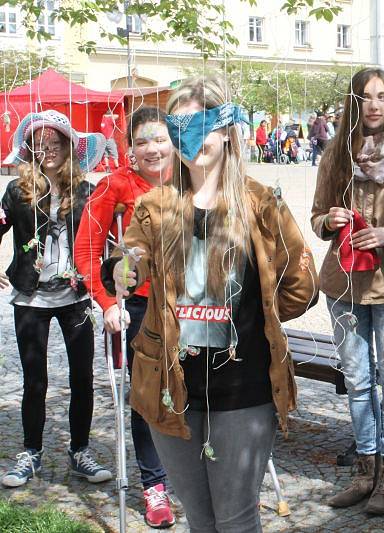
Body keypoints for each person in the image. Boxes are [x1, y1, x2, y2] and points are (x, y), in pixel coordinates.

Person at [104, 76, 318, 532]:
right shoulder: (156, 205)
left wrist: (260, 312)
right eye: (178, 127)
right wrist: (125, 268)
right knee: (200, 519)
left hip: (243, 390)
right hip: (170, 386)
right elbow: (133, 254)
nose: (192, 138)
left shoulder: (262, 204)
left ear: (226, 131)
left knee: (237, 519)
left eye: (202, 124)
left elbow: (300, 285)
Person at [312, 67, 384, 516]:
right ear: (354, 103)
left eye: (382, 96)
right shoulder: (334, 156)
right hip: (343, 284)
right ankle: (364, 471)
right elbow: (317, 217)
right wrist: (330, 221)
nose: (375, 105)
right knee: (358, 381)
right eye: (366, 97)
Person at [74, 106, 176, 528]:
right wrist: (107, 302)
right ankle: (154, 486)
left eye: (160, 139)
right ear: (130, 148)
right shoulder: (115, 185)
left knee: (198, 391)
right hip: (137, 307)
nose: (152, 149)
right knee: (147, 399)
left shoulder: (192, 181)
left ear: (173, 142)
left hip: (190, 306)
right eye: (142, 141)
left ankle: (198, 471)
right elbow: (86, 250)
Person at [0, 110, 112, 488]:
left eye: (55, 142)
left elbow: (106, 240)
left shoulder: (85, 192)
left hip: (75, 296)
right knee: (35, 380)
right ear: (30, 148)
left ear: (68, 147)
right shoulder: (17, 191)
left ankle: (79, 450)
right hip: (30, 296)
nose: (47, 149)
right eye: (39, 143)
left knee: (82, 377)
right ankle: (30, 451)